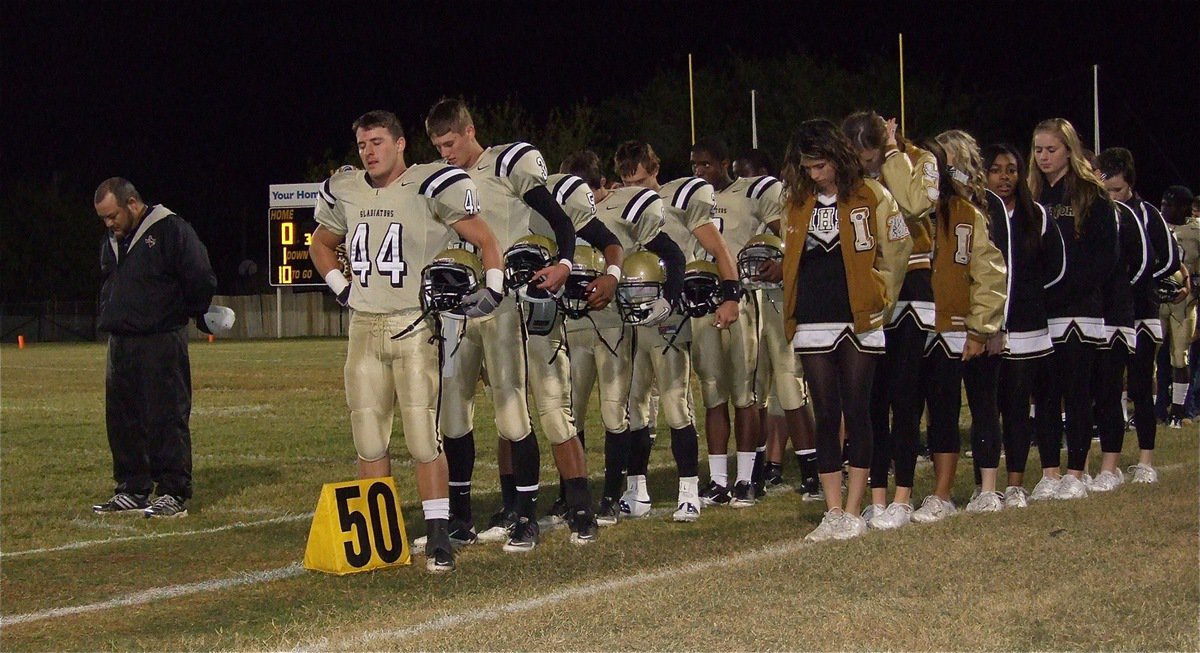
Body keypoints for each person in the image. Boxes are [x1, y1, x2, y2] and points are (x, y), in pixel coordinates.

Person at [308, 109, 505, 572]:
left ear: (400, 144)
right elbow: (320, 243)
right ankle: (381, 537)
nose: (368, 152)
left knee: (422, 435)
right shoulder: (347, 188)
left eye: (377, 142)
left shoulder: (430, 182)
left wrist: (493, 285)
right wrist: (341, 287)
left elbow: (484, 237)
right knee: (369, 437)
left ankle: (439, 535)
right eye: (362, 145)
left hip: (415, 324)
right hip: (363, 326)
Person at [425, 99, 621, 552]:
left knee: (543, 410)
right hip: (466, 306)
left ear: (470, 130)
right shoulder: (442, 180)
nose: (446, 154)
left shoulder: (511, 164)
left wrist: (568, 265)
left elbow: (563, 223)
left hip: (517, 301)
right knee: (456, 413)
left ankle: (572, 508)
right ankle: (469, 515)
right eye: (438, 147)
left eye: (450, 143)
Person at [778, 119, 911, 542]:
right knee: (825, 412)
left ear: (837, 157)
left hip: (859, 319)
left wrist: (879, 299)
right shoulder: (796, 203)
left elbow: (898, 249)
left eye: (821, 165)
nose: (815, 174)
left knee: (859, 410)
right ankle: (832, 510)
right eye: (809, 167)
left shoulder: (871, 194)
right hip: (813, 318)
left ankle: (856, 509)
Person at [614, 140, 744, 521]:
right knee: (633, 405)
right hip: (633, 315)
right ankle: (635, 491)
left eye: (640, 180)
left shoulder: (680, 198)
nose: (634, 189)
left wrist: (731, 294)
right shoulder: (621, 204)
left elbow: (720, 251)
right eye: (627, 182)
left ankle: (689, 489)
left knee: (675, 401)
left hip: (676, 311)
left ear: (654, 171)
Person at [558, 149, 684, 523]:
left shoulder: (624, 206)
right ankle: (572, 495)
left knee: (616, 412)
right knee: (570, 414)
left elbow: (671, 253)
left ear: (601, 186)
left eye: (585, 190)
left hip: (615, 325)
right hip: (574, 325)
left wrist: (669, 299)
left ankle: (613, 495)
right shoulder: (558, 212)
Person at [92, 177, 225, 519]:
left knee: (165, 417)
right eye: (103, 218)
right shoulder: (113, 238)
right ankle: (132, 488)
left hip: (161, 339)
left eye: (112, 216)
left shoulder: (171, 229)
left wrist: (189, 312)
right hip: (120, 342)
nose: (109, 224)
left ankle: (172, 491)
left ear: (132, 203)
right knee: (123, 420)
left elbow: (199, 276)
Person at [841, 111, 939, 528]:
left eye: (870, 158)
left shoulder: (921, 160)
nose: (865, 167)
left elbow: (915, 205)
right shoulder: (845, 174)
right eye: (859, 160)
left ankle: (903, 495)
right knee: (870, 399)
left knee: (904, 394)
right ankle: (876, 496)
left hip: (913, 285)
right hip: (870, 287)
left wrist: (895, 154)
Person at [905, 132, 1007, 522]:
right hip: (912, 325)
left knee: (948, 410)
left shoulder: (966, 212)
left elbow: (989, 274)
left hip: (952, 326)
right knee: (912, 410)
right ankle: (905, 494)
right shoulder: (902, 211)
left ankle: (946, 493)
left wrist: (982, 328)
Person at [1027, 118, 1119, 501]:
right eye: (1038, 150)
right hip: (1041, 311)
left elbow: (1105, 256)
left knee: (1077, 390)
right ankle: (1050, 471)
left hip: (1079, 309)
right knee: (1045, 393)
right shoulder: (1030, 194)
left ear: (1069, 150)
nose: (1044, 157)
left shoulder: (1090, 193)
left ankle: (1076, 472)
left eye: (1051, 149)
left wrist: (1067, 289)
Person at [689, 137, 783, 507]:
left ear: (725, 162)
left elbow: (782, 231)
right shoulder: (691, 197)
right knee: (712, 393)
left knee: (746, 395)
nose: (699, 172)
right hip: (705, 301)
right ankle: (718, 480)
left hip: (743, 300)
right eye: (694, 165)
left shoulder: (751, 191)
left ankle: (746, 478)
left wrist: (783, 257)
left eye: (706, 165)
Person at [982, 143, 1066, 507]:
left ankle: (1022, 480)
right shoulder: (980, 213)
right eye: (997, 169)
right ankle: (992, 484)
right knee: (991, 406)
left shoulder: (1037, 215)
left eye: (1012, 169)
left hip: (1029, 327)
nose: (1005, 177)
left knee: (1025, 404)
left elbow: (1056, 268)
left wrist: (1029, 299)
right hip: (988, 325)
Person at [732, 150, 818, 501]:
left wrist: (784, 266)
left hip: (780, 301)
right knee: (752, 388)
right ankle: (754, 470)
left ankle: (812, 470)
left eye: (748, 174)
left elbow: (801, 244)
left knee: (789, 385)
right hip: (749, 301)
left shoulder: (780, 197)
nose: (743, 182)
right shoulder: (734, 199)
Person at [1095, 148, 1175, 485]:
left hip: (1142, 313)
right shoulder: (1096, 212)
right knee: (1107, 388)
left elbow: (1169, 260)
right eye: (1106, 190)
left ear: (1130, 184)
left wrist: (1130, 284)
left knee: (1140, 385)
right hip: (1107, 316)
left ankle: (1145, 461)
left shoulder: (1147, 214)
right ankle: (1105, 464)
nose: (1112, 197)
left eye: (1117, 191)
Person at [1155, 186, 1198, 429]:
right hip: (1158, 299)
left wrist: (1192, 293)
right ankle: (1155, 409)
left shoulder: (1196, 232)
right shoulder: (1156, 225)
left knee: (1180, 358)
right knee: (1149, 358)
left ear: (1183, 207)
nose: (1164, 209)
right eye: (1162, 204)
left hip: (1185, 302)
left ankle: (1179, 412)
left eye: (1170, 205)